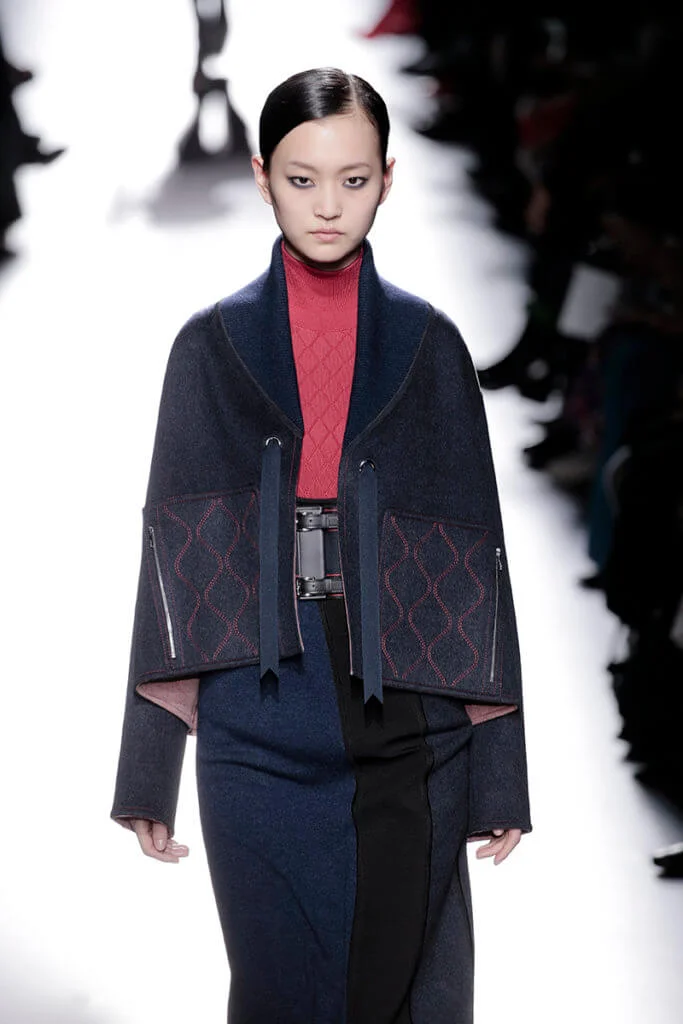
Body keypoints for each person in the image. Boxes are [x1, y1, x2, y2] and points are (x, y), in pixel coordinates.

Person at [111, 67, 532, 1023]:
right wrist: (148, 762)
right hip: (254, 712)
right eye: (302, 180)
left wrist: (499, 767)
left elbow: (478, 559)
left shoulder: (429, 346)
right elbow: (173, 556)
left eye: (352, 179)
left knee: (400, 989)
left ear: (388, 178)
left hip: (410, 715)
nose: (329, 206)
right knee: (274, 989)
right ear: (262, 177)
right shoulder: (209, 347)